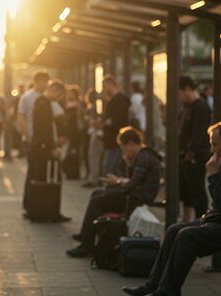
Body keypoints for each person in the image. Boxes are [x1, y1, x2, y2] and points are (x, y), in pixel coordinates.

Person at [123, 122, 221, 296]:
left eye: (215, 144)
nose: (212, 150)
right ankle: (153, 284)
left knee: (186, 236)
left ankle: (167, 292)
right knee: (174, 230)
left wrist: (213, 177)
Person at [66, 127, 161, 257]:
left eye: (123, 147)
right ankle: (86, 236)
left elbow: (133, 183)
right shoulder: (143, 155)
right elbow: (134, 181)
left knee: (97, 201)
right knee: (97, 194)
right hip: (136, 194)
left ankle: (87, 244)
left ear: (131, 144)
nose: (122, 150)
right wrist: (121, 178)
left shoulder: (144, 157)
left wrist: (117, 182)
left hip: (138, 197)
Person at [28, 80, 70, 222]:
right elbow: (44, 130)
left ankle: (45, 211)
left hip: (42, 147)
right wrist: (53, 148)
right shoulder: (44, 104)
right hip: (44, 148)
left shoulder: (42, 103)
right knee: (50, 178)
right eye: (59, 96)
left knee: (44, 178)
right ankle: (48, 211)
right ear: (55, 91)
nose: (58, 99)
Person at [178, 76, 212, 222]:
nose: (178, 97)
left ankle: (200, 221)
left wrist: (190, 153)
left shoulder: (200, 107)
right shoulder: (189, 108)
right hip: (187, 156)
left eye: (178, 93)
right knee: (187, 193)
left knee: (197, 192)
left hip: (195, 157)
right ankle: (187, 222)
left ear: (187, 89)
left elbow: (199, 132)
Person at [17, 71, 50, 216]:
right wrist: (27, 136)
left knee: (40, 172)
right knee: (32, 171)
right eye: (44, 81)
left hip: (42, 141)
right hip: (31, 140)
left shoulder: (46, 97)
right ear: (37, 81)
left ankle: (38, 204)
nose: (46, 84)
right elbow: (21, 117)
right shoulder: (27, 97)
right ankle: (28, 205)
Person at [101, 75, 132, 177]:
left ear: (111, 85)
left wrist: (107, 122)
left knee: (110, 168)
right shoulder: (118, 100)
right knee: (112, 167)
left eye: (104, 86)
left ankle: (114, 191)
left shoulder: (118, 101)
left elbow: (116, 121)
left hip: (114, 140)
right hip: (113, 140)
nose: (104, 90)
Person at [83, 88, 104, 188]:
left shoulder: (97, 107)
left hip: (96, 133)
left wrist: (92, 121)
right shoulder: (97, 106)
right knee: (93, 156)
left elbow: (98, 122)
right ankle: (94, 177)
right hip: (93, 133)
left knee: (94, 156)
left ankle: (94, 178)